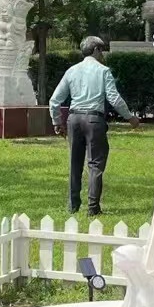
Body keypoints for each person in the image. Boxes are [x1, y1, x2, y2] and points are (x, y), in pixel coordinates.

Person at [48, 36, 139, 216]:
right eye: (102, 49)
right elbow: (113, 98)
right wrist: (130, 117)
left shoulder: (71, 71)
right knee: (95, 164)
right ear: (96, 50)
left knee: (75, 163)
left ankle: (73, 205)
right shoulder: (103, 71)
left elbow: (54, 100)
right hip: (94, 120)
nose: (103, 54)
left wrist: (56, 121)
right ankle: (93, 207)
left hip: (73, 119)